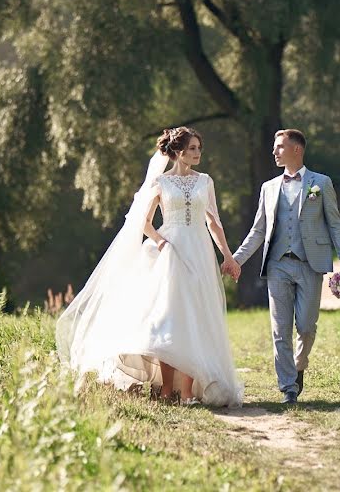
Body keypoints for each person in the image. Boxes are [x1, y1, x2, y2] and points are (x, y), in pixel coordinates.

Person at [56, 126, 244, 407]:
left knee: (194, 317)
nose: (197, 153)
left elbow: (213, 222)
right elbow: (142, 222)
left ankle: (188, 392)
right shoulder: (161, 183)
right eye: (192, 148)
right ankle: (167, 389)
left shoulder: (206, 182)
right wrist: (159, 241)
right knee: (169, 318)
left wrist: (228, 256)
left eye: (198, 148)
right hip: (170, 251)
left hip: (200, 252)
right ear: (179, 152)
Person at [233, 129, 340, 404]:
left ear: (296, 149)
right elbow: (258, 230)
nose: (274, 152)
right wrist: (235, 260)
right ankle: (288, 387)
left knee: (307, 327)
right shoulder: (269, 187)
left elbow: (335, 223)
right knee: (280, 328)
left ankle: (299, 365)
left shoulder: (320, 184)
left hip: (311, 264)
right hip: (277, 266)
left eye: (279, 147)